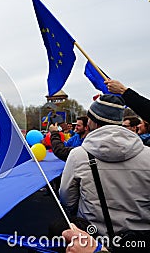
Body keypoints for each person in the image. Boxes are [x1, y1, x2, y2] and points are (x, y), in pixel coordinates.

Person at [59, 94, 150, 236]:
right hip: (140, 241)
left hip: (94, 239)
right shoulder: (148, 154)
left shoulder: (79, 155)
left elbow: (67, 199)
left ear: (94, 121)